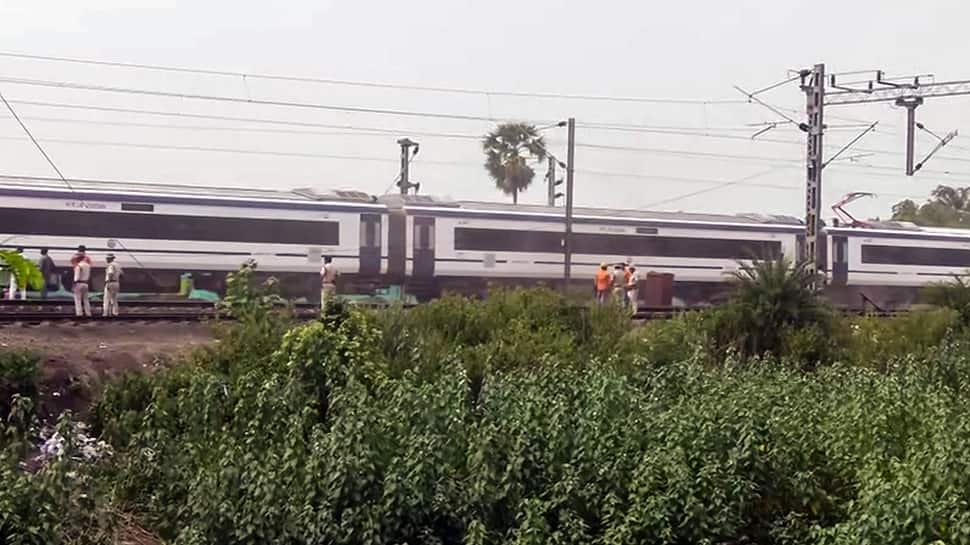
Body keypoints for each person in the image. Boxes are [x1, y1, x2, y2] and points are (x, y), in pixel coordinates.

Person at [72, 247, 92, 317]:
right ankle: (88, 313)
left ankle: (79, 314)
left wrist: (74, 284)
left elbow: (76, 277)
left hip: (79, 284)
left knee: (77, 299)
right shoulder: (88, 265)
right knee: (86, 300)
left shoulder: (78, 266)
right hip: (86, 283)